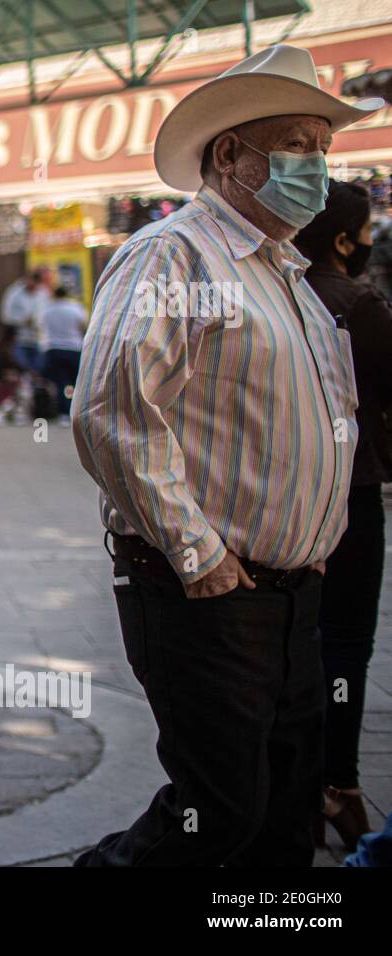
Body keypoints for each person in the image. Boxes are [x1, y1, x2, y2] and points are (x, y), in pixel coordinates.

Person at [72, 45, 379, 866]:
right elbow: (113, 411)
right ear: (230, 155)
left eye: (323, 147)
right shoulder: (174, 255)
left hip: (287, 596)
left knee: (283, 814)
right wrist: (199, 553)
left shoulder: (285, 271)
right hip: (208, 591)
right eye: (296, 145)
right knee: (218, 812)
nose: (316, 165)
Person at [295, 181, 392, 851]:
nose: (369, 242)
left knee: (298, 638)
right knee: (347, 644)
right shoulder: (359, 303)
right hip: (351, 493)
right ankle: (338, 784)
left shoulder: (278, 290)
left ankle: (296, 780)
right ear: (341, 239)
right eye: (366, 230)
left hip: (285, 495)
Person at [39, 286, 87, 425]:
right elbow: (83, 326)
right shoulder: (75, 308)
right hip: (73, 347)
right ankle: (78, 411)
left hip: (53, 348)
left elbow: (40, 327)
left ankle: (64, 414)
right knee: (77, 382)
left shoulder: (47, 310)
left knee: (60, 382)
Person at [0, 267, 51, 376]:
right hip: (19, 338)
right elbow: (5, 315)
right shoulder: (14, 293)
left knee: (37, 370)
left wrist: (37, 321)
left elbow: (46, 313)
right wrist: (22, 320)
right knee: (22, 368)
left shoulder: (43, 294)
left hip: (38, 339)